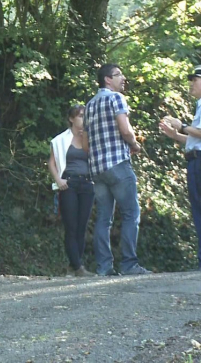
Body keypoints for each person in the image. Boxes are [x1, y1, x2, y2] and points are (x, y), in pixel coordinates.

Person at [84, 63, 152, 276]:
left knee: (104, 218)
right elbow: (125, 129)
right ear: (107, 79)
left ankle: (104, 268)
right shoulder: (116, 98)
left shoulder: (89, 105)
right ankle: (129, 264)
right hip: (118, 165)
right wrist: (134, 145)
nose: (123, 78)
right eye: (118, 75)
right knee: (131, 213)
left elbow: (85, 144)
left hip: (97, 169)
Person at [159, 64, 201, 270]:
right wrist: (175, 135)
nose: (191, 84)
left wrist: (182, 126)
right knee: (200, 212)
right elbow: (197, 139)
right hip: (199, 160)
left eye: (195, 80)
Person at [48, 106, 96, 277]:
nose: (83, 119)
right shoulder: (61, 140)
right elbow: (51, 163)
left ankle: (75, 265)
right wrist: (58, 180)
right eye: (81, 116)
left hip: (87, 184)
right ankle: (78, 267)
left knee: (82, 226)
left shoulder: (89, 138)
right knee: (71, 226)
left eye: (85, 116)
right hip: (69, 184)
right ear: (71, 119)